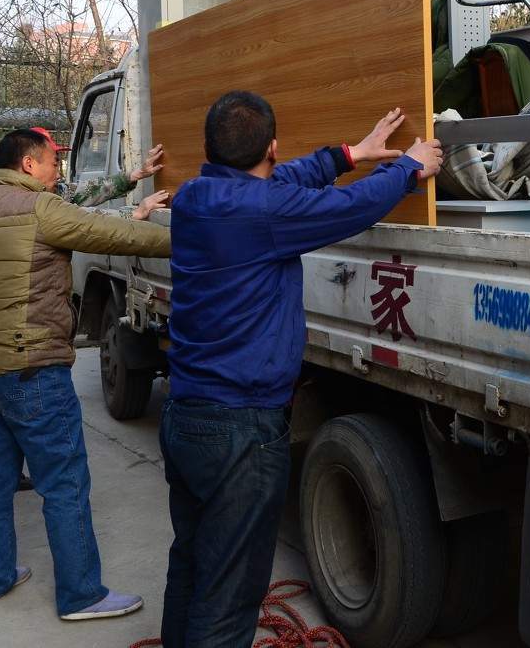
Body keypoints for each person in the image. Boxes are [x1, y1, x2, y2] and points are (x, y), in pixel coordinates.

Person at [159, 92, 443, 648]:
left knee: (191, 566)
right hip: (240, 432)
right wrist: (411, 166)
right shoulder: (265, 212)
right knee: (229, 597)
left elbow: (280, 179)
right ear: (270, 145)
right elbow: (350, 209)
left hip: (186, 416)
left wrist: (349, 153)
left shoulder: (195, 196)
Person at [0, 128, 173, 620]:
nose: (57, 172)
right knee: (64, 481)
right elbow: (116, 234)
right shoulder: (40, 210)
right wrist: (189, 240)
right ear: (28, 164)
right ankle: (80, 594)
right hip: (33, 369)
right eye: (52, 162)